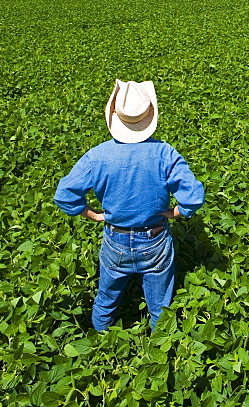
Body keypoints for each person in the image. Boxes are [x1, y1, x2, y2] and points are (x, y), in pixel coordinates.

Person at [54, 79, 205, 333]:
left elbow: (64, 195)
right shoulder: (166, 154)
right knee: (159, 307)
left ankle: (100, 348)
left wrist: (92, 214)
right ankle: (159, 354)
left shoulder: (97, 155)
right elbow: (193, 198)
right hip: (155, 238)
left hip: (115, 239)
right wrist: (174, 213)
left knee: (106, 300)